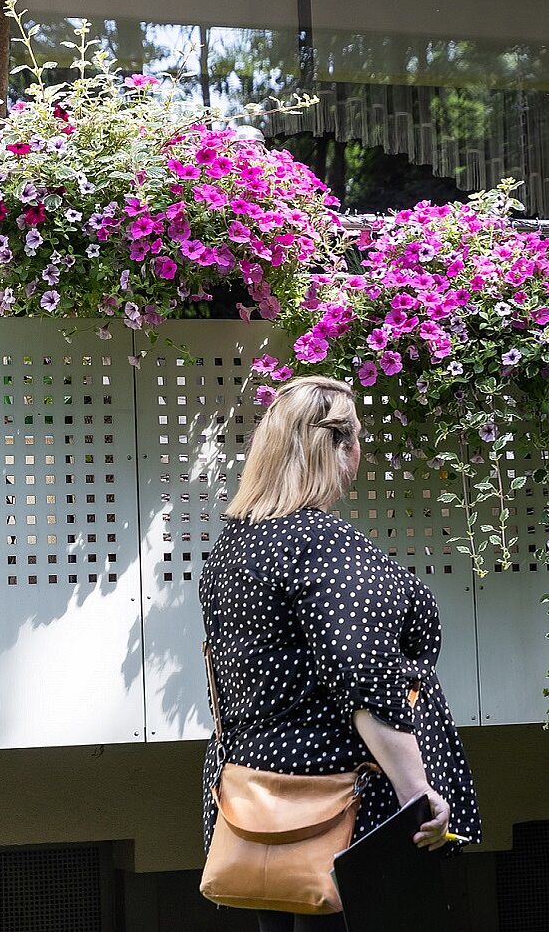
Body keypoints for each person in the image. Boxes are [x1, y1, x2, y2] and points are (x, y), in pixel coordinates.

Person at [197, 376, 481, 932]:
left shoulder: (232, 546)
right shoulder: (323, 542)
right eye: (359, 443)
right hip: (345, 804)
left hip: (256, 800)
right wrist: (416, 791)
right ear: (341, 448)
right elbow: (365, 678)